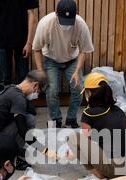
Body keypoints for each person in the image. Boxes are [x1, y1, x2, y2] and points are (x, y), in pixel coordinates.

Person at [33, 0, 94, 129]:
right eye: (63, 21)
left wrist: (77, 71)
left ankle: (71, 119)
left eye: (69, 21)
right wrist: (40, 72)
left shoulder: (81, 24)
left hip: (72, 60)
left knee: (78, 87)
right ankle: (56, 120)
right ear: (56, 14)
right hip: (51, 60)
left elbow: (84, 50)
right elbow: (36, 49)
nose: (66, 26)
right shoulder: (45, 24)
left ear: (75, 14)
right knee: (52, 90)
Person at [66, 73, 126, 180]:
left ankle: (99, 176)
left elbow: (86, 141)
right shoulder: (118, 110)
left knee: (73, 138)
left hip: (115, 168)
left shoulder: (89, 114)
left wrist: (73, 153)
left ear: (88, 93)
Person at [0, 70, 54, 171]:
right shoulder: (18, 98)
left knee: (25, 120)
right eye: (38, 92)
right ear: (35, 85)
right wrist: (45, 151)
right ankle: (18, 160)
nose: (36, 95)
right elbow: (23, 132)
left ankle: (16, 151)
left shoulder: (11, 88)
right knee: (28, 119)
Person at [0, 0, 39, 84]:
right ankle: (7, 97)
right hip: (1, 40)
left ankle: (21, 97)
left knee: (23, 79)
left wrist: (29, 43)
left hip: (22, 41)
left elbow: (31, 15)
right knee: (4, 79)